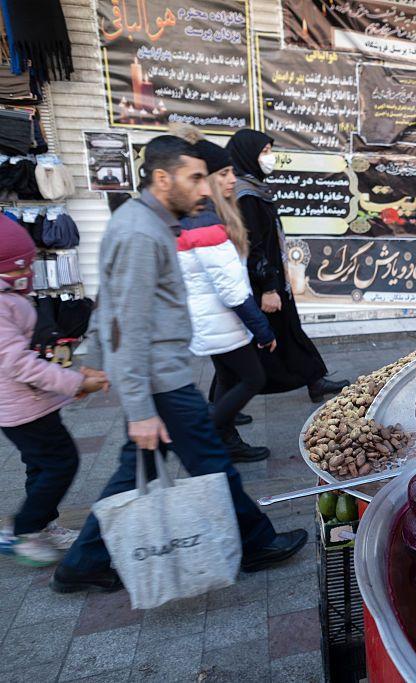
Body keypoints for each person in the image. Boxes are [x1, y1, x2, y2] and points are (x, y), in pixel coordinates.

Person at [51, 136, 307, 594]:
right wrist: (141, 409)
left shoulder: (148, 223)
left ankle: (82, 562)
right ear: (163, 178)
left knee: (137, 471)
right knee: (210, 462)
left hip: (160, 377)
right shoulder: (140, 234)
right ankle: (256, 541)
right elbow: (126, 324)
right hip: (161, 383)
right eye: (195, 179)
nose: (205, 190)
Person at [0, 218, 109, 566]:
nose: (31, 272)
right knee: (62, 463)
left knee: (40, 466)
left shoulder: (9, 298)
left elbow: (32, 358)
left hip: (30, 403)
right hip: (21, 409)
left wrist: (66, 388)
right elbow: (19, 364)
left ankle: (40, 524)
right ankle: (24, 530)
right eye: (26, 265)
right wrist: (76, 383)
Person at [226, 129, 349, 403]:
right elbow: (253, 246)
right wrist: (268, 287)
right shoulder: (245, 196)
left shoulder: (255, 189)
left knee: (287, 332)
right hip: (263, 282)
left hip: (272, 278)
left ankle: (314, 380)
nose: (270, 158)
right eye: (265, 152)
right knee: (251, 342)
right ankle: (222, 402)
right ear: (248, 155)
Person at [178, 139, 275, 463]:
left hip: (213, 318)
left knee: (229, 378)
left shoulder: (202, 217)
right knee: (253, 378)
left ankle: (226, 438)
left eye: (232, 171)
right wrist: (262, 330)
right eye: (224, 173)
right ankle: (205, 433)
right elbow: (232, 290)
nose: (232, 179)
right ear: (205, 180)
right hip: (220, 319)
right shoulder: (206, 222)